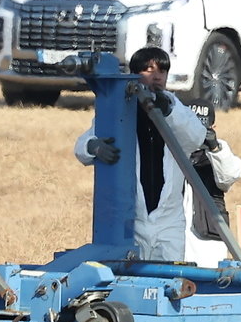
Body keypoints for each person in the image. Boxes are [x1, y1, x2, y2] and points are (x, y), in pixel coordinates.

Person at [74, 48, 206, 261]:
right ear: (133, 74)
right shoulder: (120, 109)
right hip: (132, 222)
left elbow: (196, 137)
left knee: (169, 276)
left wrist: (169, 111)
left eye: (162, 71)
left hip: (168, 222)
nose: (157, 76)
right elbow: (81, 147)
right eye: (149, 70)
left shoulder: (175, 107)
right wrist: (94, 146)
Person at [183, 101, 241, 268]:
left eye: (202, 127)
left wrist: (215, 149)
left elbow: (229, 176)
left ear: (213, 127)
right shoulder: (170, 149)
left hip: (206, 242)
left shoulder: (219, 153)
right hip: (174, 237)